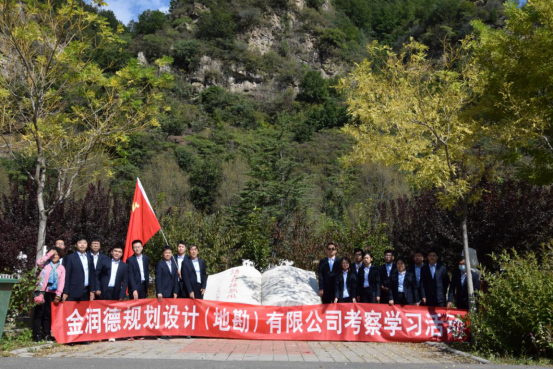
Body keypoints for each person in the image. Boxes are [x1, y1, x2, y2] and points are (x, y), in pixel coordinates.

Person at [33, 248, 65, 342]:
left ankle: (46, 333)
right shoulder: (45, 264)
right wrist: (50, 253)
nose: (55, 257)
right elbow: (39, 262)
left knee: (48, 314)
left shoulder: (61, 268)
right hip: (41, 291)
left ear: (60, 256)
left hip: (52, 293)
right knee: (39, 313)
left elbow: (62, 282)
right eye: (53, 255)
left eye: (57, 255)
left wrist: (58, 294)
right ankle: (36, 335)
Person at [62, 235, 96, 302]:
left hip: (86, 291)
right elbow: (67, 275)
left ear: (87, 245)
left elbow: (92, 274)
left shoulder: (90, 257)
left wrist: (92, 290)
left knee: (83, 312)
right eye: (80, 243)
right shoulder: (70, 257)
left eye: (84, 243)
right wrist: (65, 292)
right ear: (76, 245)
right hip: (73, 291)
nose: (82, 245)